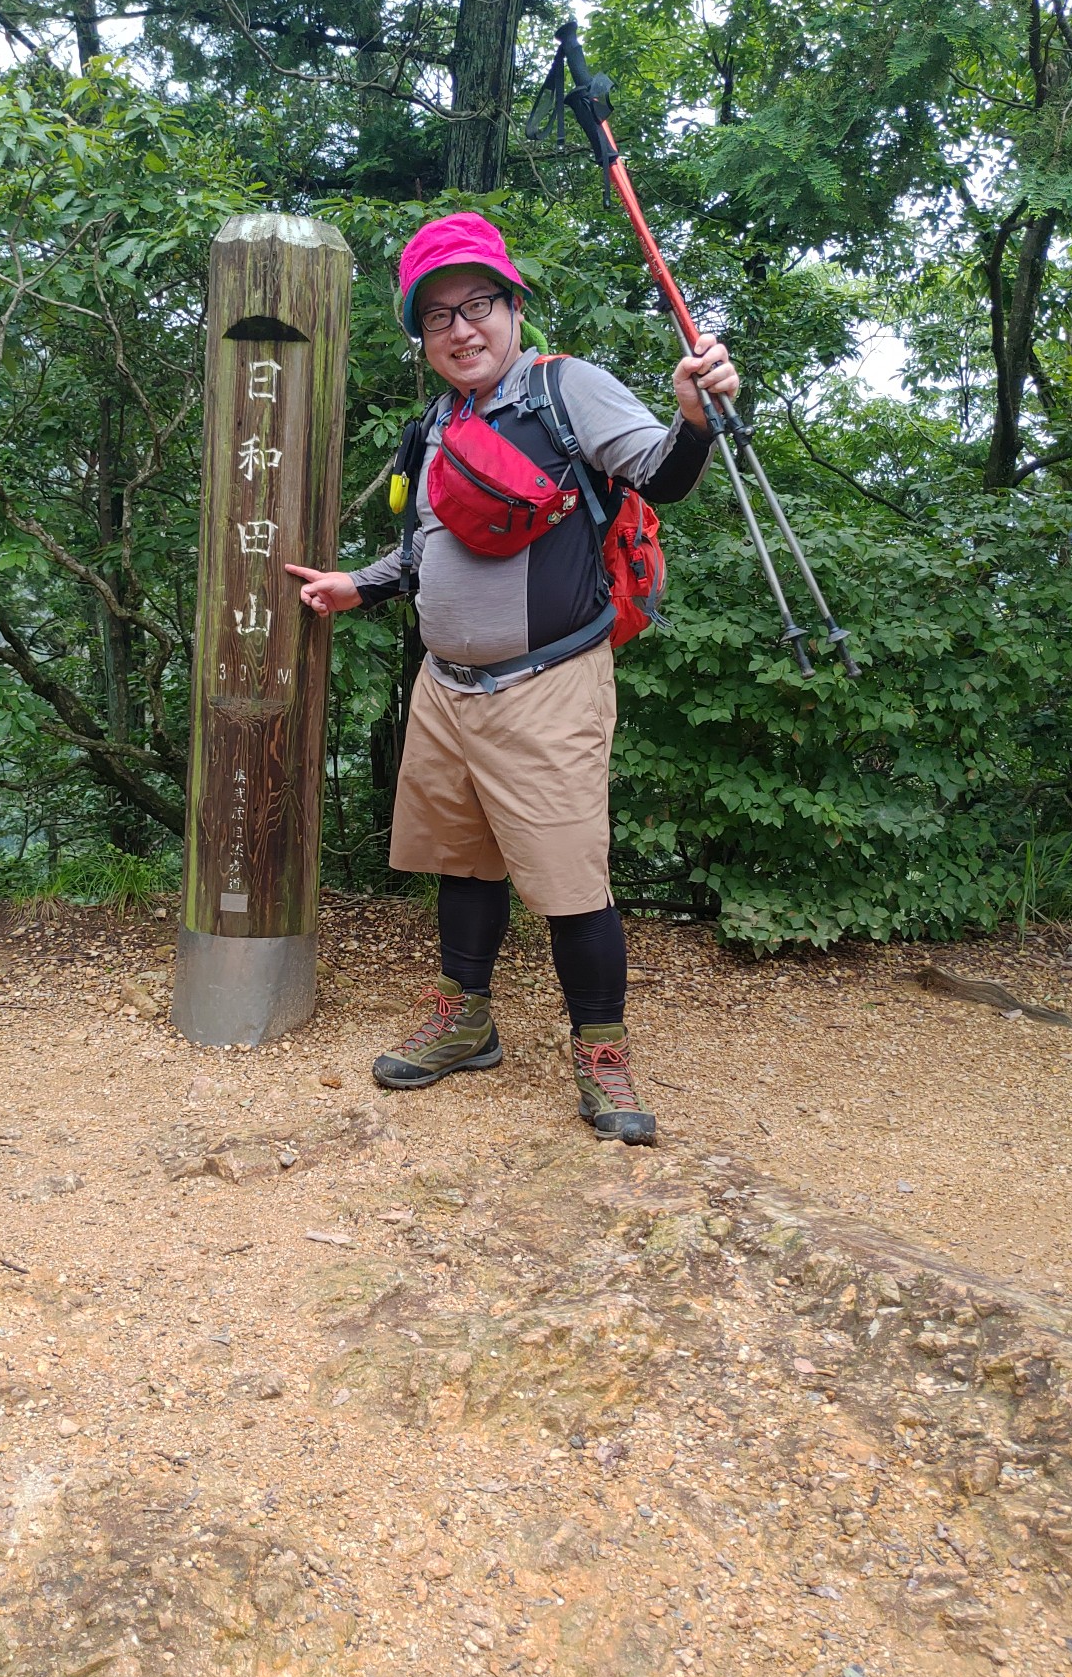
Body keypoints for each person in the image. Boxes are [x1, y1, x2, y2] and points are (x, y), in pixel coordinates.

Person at [286, 211, 739, 1147]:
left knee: (571, 882)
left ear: (513, 308)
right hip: (446, 690)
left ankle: (602, 1052)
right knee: (463, 862)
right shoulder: (438, 424)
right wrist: (356, 586)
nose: (462, 328)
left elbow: (661, 473)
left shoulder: (565, 391)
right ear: (423, 339)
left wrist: (694, 415)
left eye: (479, 304)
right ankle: (467, 1020)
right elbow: (421, 550)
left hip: (548, 684)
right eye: (439, 315)